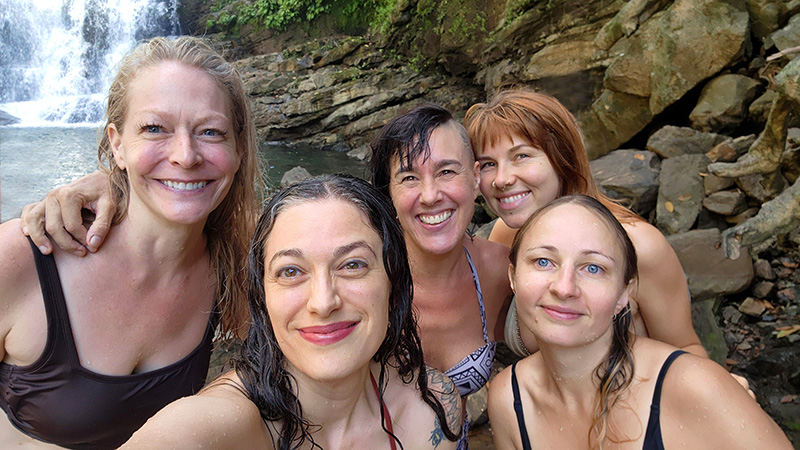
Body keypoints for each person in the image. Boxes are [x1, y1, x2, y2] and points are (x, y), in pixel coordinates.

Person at [0, 36, 260, 449]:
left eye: (210, 131)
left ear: (238, 149)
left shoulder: (242, 258)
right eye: (154, 128)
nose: (186, 155)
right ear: (118, 143)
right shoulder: (21, 255)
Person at [118, 174, 463, 450]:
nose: (323, 302)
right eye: (291, 271)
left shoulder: (434, 406)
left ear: (393, 280)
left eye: (353, 265)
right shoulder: (229, 425)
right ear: (262, 295)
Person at [488, 195, 792, 450]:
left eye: (593, 268)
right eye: (543, 261)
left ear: (626, 292)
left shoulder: (695, 388)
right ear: (513, 277)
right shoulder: (510, 400)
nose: (564, 287)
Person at [464, 90, 705, 358]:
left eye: (521, 156)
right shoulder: (505, 234)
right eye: (488, 164)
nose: (501, 179)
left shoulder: (639, 246)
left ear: (562, 158)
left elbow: (687, 351)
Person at [369, 105, 513, 447]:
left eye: (447, 171)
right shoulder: (363, 281)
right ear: (388, 193)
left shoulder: (499, 272)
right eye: (409, 178)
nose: (431, 195)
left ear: (476, 178)